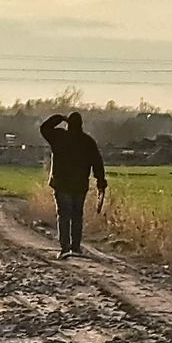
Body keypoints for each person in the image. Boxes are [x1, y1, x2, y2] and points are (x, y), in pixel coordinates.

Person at [40, 111, 107, 259]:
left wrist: (59, 118)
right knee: (77, 216)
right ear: (81, 125)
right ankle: (75, 247)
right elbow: (97, 163)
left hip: (61, 184)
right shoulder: (88, 141)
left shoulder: (59, 137)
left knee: (64, 215)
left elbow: (44, 128)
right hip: (79, 185)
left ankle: (64, 248)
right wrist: (100, 181)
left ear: (68, 124)